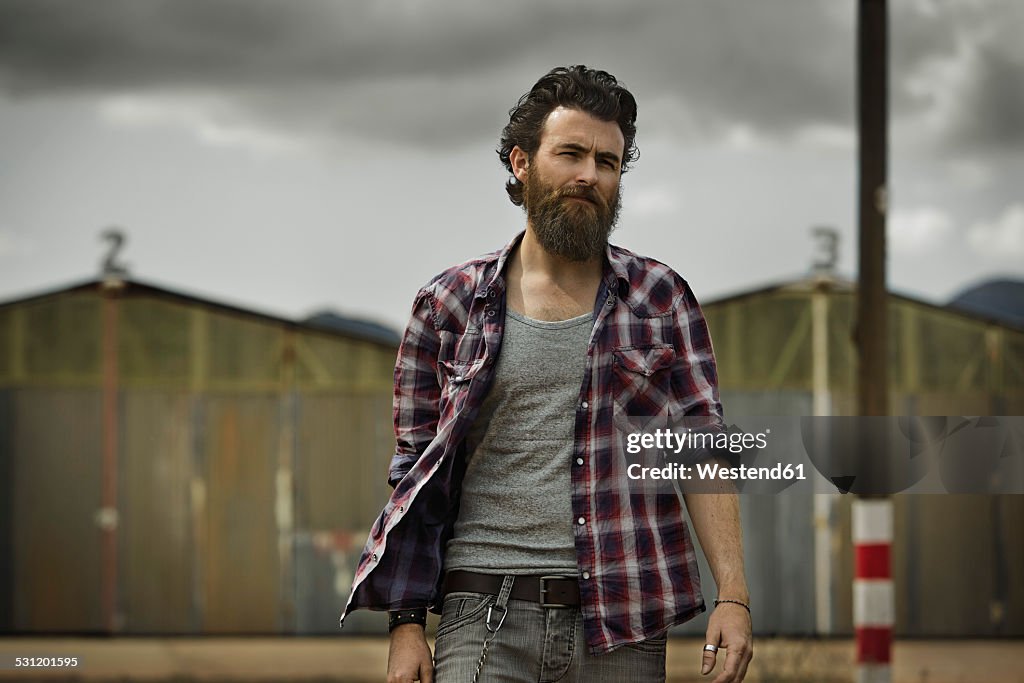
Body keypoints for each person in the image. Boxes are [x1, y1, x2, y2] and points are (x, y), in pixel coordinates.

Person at [341, 65, 753, 683]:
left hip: (623, 618)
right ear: (521, 163)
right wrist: (406, 627)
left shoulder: (661, 298)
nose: (590, 174)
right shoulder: (448, 304)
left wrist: (733, 593)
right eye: (571, 154)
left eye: (608, 162)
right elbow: (413, 473)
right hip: (480, 616)